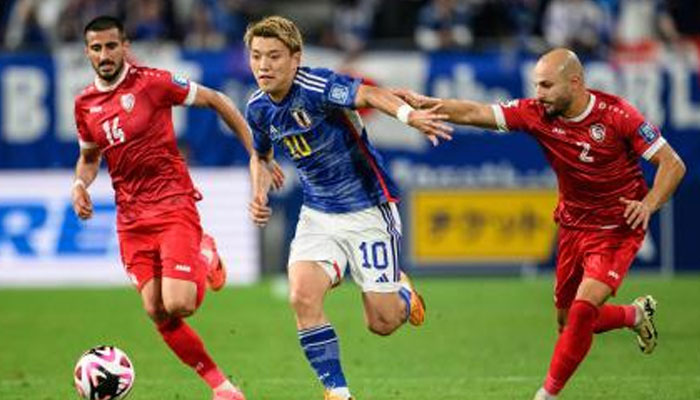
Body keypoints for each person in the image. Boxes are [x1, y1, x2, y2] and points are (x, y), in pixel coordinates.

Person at [395, 48, 686, 399]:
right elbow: (475, 111)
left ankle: (545, 395)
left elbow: (672, 164)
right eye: (536, 85)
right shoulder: (537, 114)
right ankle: (634, 315)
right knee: (569, 323)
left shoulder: (618, 114)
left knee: (581, 311)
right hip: (573, 225)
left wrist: (649, 203)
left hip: (616, 227)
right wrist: (430, 104)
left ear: (575, 83)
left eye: (546, 85)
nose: (539, 94)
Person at [71, 15, 281, 400]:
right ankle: (222, 387)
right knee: (156, 311)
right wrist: (80, 185)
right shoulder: (84, 104)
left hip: (172, 205)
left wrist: (259, 153)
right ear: (87, 52)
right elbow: (89, 157)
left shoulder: (153, 83)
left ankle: (205, 253)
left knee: (180, 304)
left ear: (125, 46)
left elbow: (218, 100)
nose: (104, 54)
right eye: (97, 48)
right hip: (130, 219)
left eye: (111, 46)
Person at [244, 16, 452, 400]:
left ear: (295, 58)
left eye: (274, 56)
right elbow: (261, 154)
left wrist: (411, 117)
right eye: (256, 56)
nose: (263, 65)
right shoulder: (257, 107)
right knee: (301, 296)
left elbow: (371, 96)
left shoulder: (318, 85)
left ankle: (402, 294)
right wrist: (258, 191)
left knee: (383, 323)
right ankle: (337, 392)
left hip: (368, 210)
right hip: (317, 215)